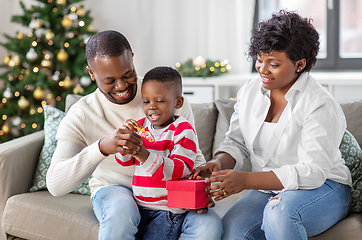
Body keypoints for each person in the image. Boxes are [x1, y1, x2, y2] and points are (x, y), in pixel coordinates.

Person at [190, 10, 352, 240]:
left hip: (324, 187)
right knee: (232, 232)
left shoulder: (319, 104)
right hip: (268, 188)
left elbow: (313, 172)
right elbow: (236, 142)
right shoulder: (249, 92)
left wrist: (245, 180)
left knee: (280, 214)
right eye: (259, 59)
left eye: (273, 64)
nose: (262, 70)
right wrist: (217, 163)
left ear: (300, 64)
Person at [46, 30, 222, 240]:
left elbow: (193, 154)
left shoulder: (165, 94)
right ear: (92, 73)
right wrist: (102, 148)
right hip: (115, 188)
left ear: (132, 59)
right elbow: (56, 185)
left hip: (167, 189)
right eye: (110, 80)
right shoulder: (82, 114)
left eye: (127, 74)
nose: (121, 86)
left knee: (209, 226)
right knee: (122, 211)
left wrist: (200, 189)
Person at [116, 66, 208, 240]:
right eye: (146, 101)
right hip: (139, 207)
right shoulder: (141, 126)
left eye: (160, 101)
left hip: (166, 211)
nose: (152, 107)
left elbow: (178, 170)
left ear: (178, 103)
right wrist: (124, 141)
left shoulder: (183, 130)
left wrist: (142, 153)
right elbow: (124, 162)